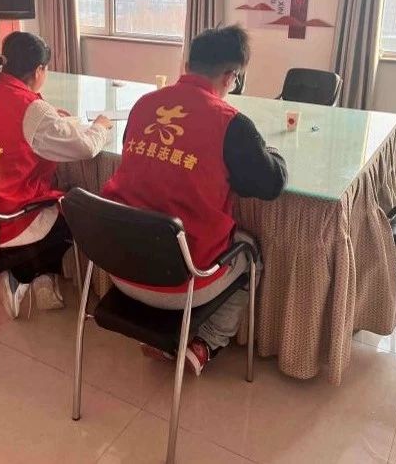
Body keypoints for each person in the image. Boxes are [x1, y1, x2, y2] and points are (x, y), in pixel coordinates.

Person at [102, 24, 287, 375]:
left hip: (121, 267)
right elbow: (271, 183)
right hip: (182, 281)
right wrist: (272, 152)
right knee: (249, 249)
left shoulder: (143, 105)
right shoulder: (231, 124)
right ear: (231, 76)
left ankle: (166, 337)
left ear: (188, 64)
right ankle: (207, 342)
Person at [0, 31, 112, 318]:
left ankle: (37, 277)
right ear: (38, 70)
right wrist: (101, 126)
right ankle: (23, 274)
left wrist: (49, 117)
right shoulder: (30, 109)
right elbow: (85, 148)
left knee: (51, 202)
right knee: (73, 207)